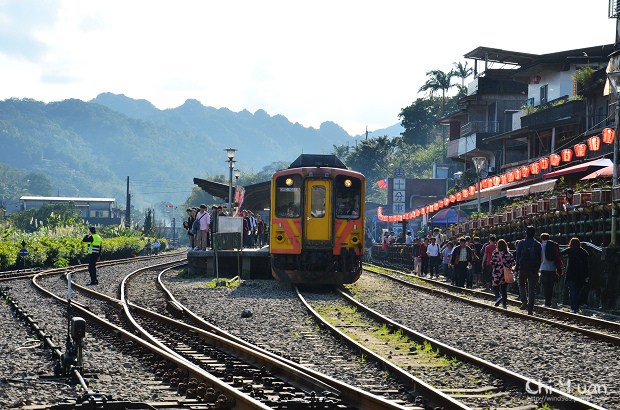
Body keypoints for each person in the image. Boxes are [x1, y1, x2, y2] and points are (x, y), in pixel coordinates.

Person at [515, 226, 542, 315]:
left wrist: (517, 269)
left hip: (523, 268)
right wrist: (538, 268)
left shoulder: (521, 243)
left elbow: (518, 257)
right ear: (535, 234)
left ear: (525, 233)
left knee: (521, 284)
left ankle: (524, 300)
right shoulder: (537, 244)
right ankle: (530, 308)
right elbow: (540, 258)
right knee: (532, 288)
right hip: (533, 269)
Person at [561, 237, 590, 313]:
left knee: (572, 291)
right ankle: (577, 307)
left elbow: (561, 252)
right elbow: (586, 265)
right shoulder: (583, 252)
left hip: (571, 274)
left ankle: (573, 308)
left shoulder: (570, 250)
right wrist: (586, 276)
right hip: (580, 275)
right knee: (578, 291)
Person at [489, 239, 515, 309]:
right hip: (505, 273)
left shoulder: (495, 253)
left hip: (497, 272)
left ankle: (498, 297)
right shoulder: (509, 254)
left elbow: (492, 263)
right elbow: (513, 264)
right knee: (504, 289)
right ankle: (504, 304)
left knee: (495, 287)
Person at [540, 233, 564, 308]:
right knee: (551, 286)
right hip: (552, 269)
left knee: (545, 286)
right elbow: (558, 256)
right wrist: (561, 266)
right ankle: (549, 301)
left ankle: (547, 302)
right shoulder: (553, 245)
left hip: (543, 268)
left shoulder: (541, 246)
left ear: (542, 239)